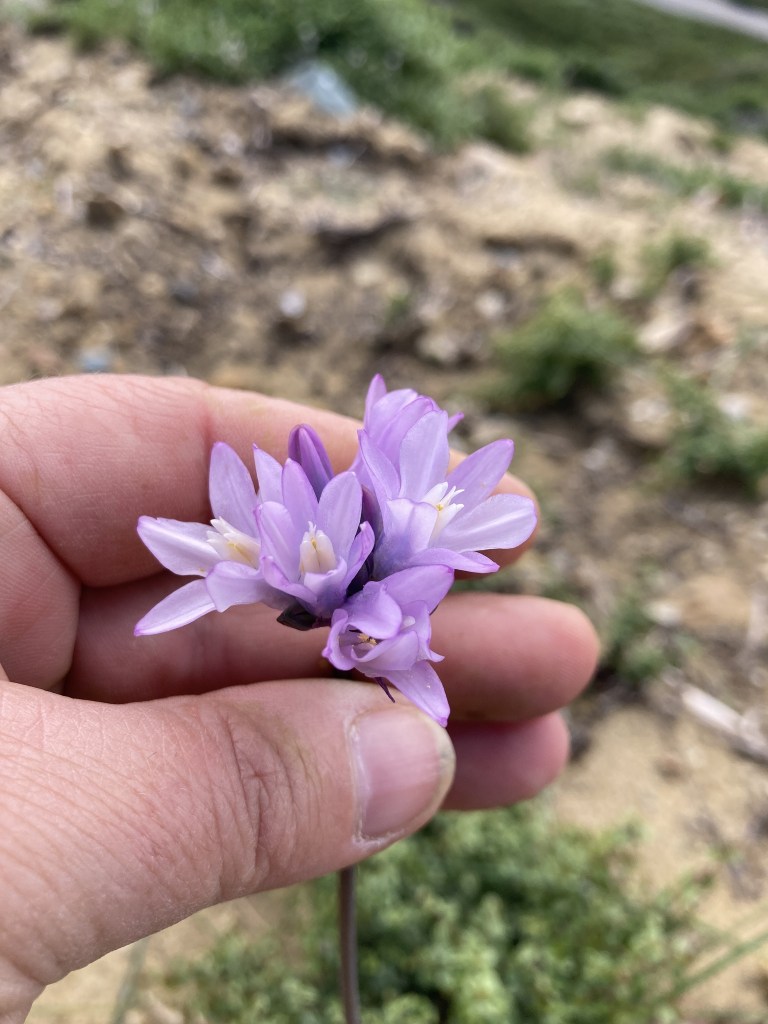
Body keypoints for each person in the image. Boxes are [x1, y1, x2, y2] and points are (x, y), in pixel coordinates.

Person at [0, 374, 598, 1022]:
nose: (357, 644)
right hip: (351, 585)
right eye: (357, 640)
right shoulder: (317, 568)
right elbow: (342, 601)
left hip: (372, 577)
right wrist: (338, 615)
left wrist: (374, 633)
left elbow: (396, 584)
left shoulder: (373, 565)